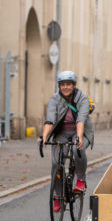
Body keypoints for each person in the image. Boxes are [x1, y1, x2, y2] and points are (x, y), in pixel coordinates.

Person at [41, 71, 94, 212]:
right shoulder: (55, 99)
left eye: (68, 84)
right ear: (59, 86)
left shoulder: (82, 97)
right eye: (62, 84)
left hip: (82, 130)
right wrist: (44, 137)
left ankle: (81, 180)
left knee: (79, 150)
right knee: (55, 163)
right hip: (62, 133)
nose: (65, 87)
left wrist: (79, 137)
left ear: (74, 85)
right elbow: (50, 120)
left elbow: (81, 120)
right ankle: (59, 196)